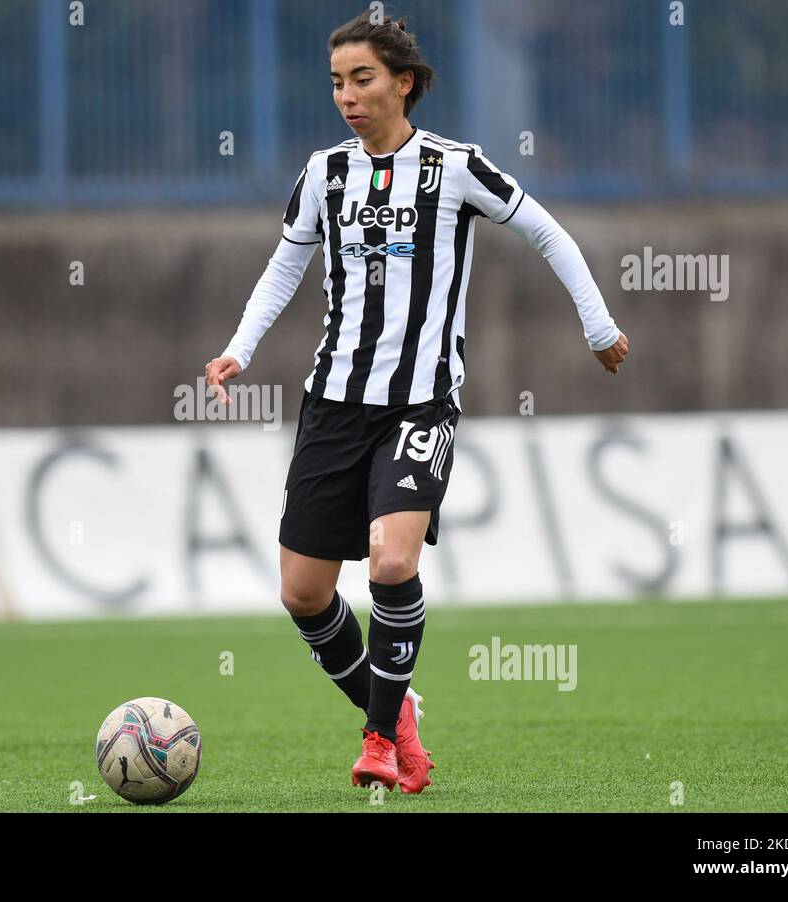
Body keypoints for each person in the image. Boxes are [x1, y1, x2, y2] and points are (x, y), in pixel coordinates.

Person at [205, 11, 629, 793]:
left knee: (393, 560)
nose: (347, 96)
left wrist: (597, 323)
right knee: (302, 592)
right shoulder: (323, 174)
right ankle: (396, 712)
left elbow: (548, 233)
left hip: (421, 403)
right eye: (337, 82)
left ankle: (376, 738)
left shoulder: (456, 166)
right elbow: (282, 268)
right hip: (332, 403)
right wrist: (241, 348)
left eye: (362, 79)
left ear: (403, 82)